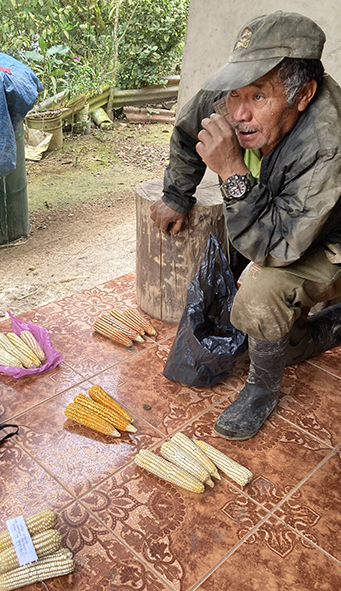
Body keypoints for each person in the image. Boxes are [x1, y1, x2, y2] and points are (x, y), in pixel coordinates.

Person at [151, 11, 341, 440]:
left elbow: (278, 244)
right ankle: (319, 328)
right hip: (286, 214)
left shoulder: (328, 143)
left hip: (329, 231)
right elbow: (187, 132)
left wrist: (233, 172)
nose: (239, 113)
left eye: (258, 97)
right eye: (236, 93)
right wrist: (177, 195)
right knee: (276, 332)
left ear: (304, 94)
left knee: (258, 299)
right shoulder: (233, 95)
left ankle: (262, 389)